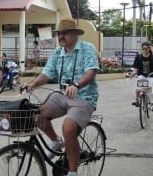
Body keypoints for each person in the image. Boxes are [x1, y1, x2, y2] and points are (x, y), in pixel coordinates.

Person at [19, 19, 99, 176]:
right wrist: (32, 84)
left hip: (84, 97)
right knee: (36, 113)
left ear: (75, 34)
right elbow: (46, 73)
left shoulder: (87, 49)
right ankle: (57, 141)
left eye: (65, 33)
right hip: (62, 95)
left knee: (68, 128)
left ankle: (73, 172)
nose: (61, 36)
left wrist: (76, 85)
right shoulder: (57, 52)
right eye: (59, 33)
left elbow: (91, 72)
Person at [130, 42, 153, 112]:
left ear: (149, 49)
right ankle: (137, 100)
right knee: (138, 82)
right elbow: (136, 69)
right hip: (142, 76)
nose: (144, 50)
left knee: (150, 92)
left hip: (151, 76)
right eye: (143, 49)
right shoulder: (138, 57)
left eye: (146, 49)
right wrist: (133, 73)